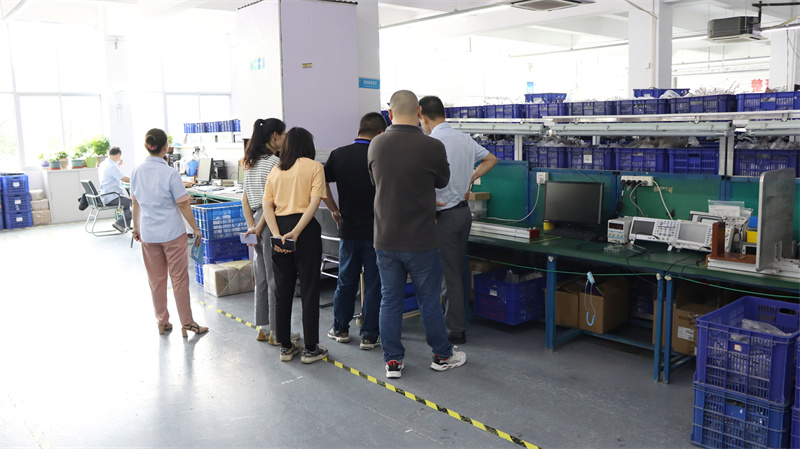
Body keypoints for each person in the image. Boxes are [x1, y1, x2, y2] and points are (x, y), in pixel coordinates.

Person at [368, 90, 466, 379]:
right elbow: (443, 181)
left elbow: (375, 181)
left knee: (390, 301)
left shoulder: (375, 144)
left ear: (389, 113)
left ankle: (393, 362)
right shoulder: (432, 146)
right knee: (429, 301)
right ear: (419, 112)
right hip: (422, 239)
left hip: (385, 238)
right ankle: (442, 356)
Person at [420, 96, 498, 345]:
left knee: (447, 275)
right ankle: (452, 322)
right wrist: (471, 177)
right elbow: (491, 159)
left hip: (444, 216)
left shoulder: (430, 143)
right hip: (463, 215)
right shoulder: (464, 138)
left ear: (422, 115)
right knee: (453, 271)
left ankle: (455, 330)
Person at [256, 127, 328, 364]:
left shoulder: (276, 170)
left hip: (278, 227)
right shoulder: (314, 167)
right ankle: (311, 348)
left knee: (282, 289)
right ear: (308, 145)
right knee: (309, 288)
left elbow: (267, 206)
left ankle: (285, 346)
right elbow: (314, 203)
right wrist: (297, 231)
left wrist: (277, 234)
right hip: (305, 230)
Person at [131, 128, 208, 338]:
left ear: (146, 146)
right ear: (166, 147)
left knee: (156, 281)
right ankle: (187, 323)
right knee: (179, 279)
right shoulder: (170, 173)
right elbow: (183, 204)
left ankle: (162, 322)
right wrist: (195, 228)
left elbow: (135, 202)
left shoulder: (137, 171)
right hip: (172, 234)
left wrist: (135, 226)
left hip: (148, 234)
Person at [322, 112, 386, 350]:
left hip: (348, 229)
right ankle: (369, 335)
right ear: (380, 133)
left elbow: (321, 183)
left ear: (359, 130)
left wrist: (334, 209)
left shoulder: (339, 154)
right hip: (377, 232)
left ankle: (340, 329)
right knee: (374, 284)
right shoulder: (381, 156)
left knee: (346, 280)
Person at [241, 118, 300, 346]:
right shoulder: (275, 163)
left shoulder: (250, 163)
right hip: (269, 220)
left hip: (256, 221)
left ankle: (263, 328)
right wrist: (261, 227)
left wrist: (252, 227)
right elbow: (271, 202)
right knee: (276, 276)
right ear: (275, 136)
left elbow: (245, 199)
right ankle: (278, 332)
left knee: (262, 276)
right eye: (284, 134)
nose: (285, 139)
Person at [99, 146, 132, 233]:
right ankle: (120, 224)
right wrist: (136, 179)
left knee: (127, 203)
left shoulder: (103, 164)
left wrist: (118, 166)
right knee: (133, 203)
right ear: (118, 155)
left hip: (105, 196)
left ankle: (125, 225)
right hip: (112, 197)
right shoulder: (112, 166)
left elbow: (112, 176)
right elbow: (124, 179)